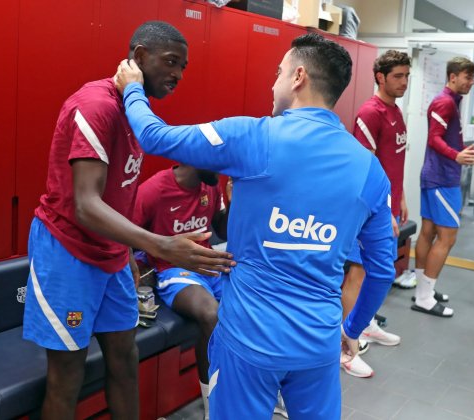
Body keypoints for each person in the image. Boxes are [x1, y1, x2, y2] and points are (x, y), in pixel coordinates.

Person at [116, 33, 395, 419]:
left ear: (298, 77)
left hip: (248, 341)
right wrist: (353, 327)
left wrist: (133, 90)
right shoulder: (370, 170)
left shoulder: (252, 136)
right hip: (319, 344)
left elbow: (153, 135)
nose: (272, 82)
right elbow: (381, 270)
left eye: (278, 72)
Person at [22, 21, 234, 420]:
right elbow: (86, 204)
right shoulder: (96, 105)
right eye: (171, 62)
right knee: (67, 376)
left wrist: (127, 256)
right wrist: (158, 245)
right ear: (138, 57)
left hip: (112, 257)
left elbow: (123, 187)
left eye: (184, 67)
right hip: (68, 253)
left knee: (124, 359)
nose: (178, 75)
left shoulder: (138, 109)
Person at [132, 165, 229, 420]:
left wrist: (235, 202)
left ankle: (246, 393)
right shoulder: (154, 190)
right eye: (214, 160)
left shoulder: (211, 184)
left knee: (254, 302)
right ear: (194, 157)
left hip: (209, 265)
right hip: (172, 270)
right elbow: (126, 236)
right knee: (212, 314)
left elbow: (223, 231)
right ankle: (214, 411)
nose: (220, 169)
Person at [340, 50, 411, 378]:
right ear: (380, 77)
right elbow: (364, 168)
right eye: (398, 76)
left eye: (407, 76)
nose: (404, 82)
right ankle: (346, 342)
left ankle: (363, 325)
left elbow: (394, 161)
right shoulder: (370, 112)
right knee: (357, 272)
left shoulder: (396, 112)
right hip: (372, 210)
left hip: (389, 205)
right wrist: (384, 209)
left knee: (374, 272)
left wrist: (401, 199)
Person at [413, 57, 474, 318]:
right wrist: (456, 157)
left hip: (437, 176)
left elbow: (448, 140)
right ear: (452, 77)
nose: (471, 82)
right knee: (448, 237)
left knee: (428, 232)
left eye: (473, 78)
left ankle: (424, 289)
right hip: (442, 179)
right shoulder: (444, 102)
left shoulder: (452, 102)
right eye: (467, 77)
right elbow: (434, 139)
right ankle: (424, 296)